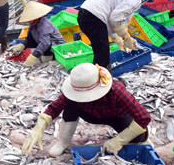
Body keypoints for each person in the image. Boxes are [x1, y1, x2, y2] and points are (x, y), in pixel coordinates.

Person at [22, 63, 150, 157]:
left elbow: (143, 117)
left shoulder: (116, 91)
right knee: (70, 105)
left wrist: (120, 140)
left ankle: (132, 135)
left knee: (138, 137)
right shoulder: (75, 89)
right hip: (91, 114)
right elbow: (54, 107)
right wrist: (39, 127)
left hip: (117, 117)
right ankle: (63, 142)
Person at [78, 0, 154, 72]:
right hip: (93, 17)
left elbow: (112, 19)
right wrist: (126, 37)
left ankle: (96, 78)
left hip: (84, 14)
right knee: (103, 58)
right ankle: (101, 82)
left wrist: (117, 38)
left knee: (100, 52)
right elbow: (115, 18)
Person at [7, 1, 66, 67]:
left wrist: (33, 56)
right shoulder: (33, 24)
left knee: (44, 52)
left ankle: (49, 59)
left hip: (57, 47)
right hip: (45, 43)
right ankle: (42, 57)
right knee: (32, 42)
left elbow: (45, 43)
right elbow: (29, 39)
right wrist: (22, 46)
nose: (28, 21)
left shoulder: (44, 25)